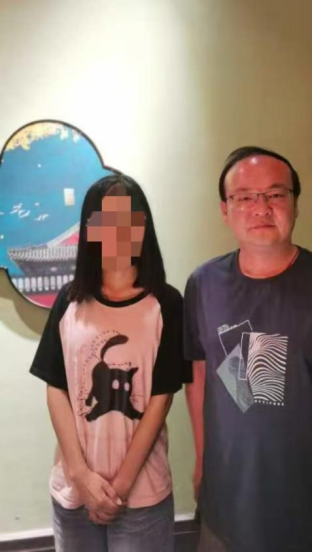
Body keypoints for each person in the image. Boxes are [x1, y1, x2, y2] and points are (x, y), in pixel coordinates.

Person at [184, 147, 312, 552]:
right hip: (227, 499)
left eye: (276, 194)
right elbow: (198, 377)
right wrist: (202, 461)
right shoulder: (203, 285)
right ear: (225, 210)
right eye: (244, 197)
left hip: (308, 503)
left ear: (295, 205)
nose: (261, 208)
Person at [31, 174, 189, 552]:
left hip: (142, 492)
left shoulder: (167, 303)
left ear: (143, 227)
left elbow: (161, 399)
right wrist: (79, 474)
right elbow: (56, 388)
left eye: (129, 220)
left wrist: (121, 485)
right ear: (89, 230)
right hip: (74, 490)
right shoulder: (69, 301)